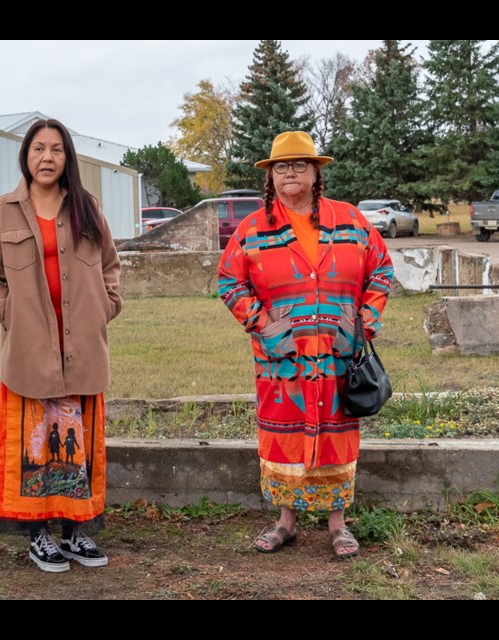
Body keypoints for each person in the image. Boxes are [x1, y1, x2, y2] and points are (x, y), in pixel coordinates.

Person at [217, 131, 394, 559]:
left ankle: (338, 525)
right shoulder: (254, 228)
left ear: (317, 173)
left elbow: (381, 270)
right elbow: (229, 281)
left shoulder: (350, 220)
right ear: (270, 177)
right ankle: (286, 522)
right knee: (284, 435)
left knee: (337, 434)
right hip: (283, 363)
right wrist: (264, 326)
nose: (290, 173)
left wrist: (363, 323)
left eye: (300, 165)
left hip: (338, 358)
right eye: (281, 167)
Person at [0, 118, 122, 573]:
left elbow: (111, 266)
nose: (47, 158)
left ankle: (77, 532)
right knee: (33, 444)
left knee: (79, 442)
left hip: (83, 346)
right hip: (30, 350)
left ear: (67, 158)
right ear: (26, 156)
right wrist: (12, 316)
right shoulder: (4, 210)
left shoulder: (87, 207)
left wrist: (107, 305)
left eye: (56, 150)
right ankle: (38, 535)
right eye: (39, 149)